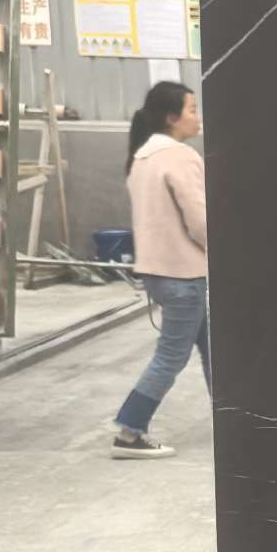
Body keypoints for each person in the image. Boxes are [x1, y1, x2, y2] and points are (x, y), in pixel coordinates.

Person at [111, 81, 208, 459]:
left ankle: (235, 417)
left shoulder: (142, 157)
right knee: (171, 356)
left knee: (214, 348)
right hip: (184, 273)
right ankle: (129, 432)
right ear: (172, 117)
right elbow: (200, 221)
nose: (198, 117)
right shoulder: (180, 157)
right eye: (192, 110)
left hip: (158, 272)